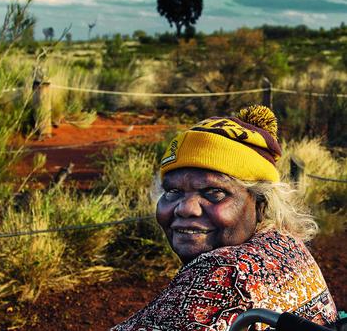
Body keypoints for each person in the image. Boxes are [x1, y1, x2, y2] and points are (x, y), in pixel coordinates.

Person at [112, 105, 338, 330]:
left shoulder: (225, 274)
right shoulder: (285, 243)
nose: (186, 208)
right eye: (173, 191)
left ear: (261, 204)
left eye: (214, 193)